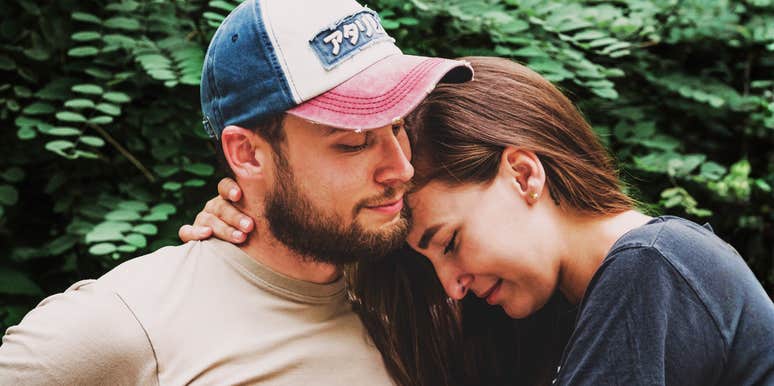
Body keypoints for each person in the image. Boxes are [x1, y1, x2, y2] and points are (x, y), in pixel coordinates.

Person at [187, 56, 774, 385]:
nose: (451, 284)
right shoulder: (552, 317)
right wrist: (260, 232)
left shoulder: (653, 268)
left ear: (523, 174)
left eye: (449, 242)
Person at [0, 0, 472, 384]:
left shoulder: (418, 290)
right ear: (246, 154)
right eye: (353, 142)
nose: (400, 166)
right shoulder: (132, 321)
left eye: (398, 125)